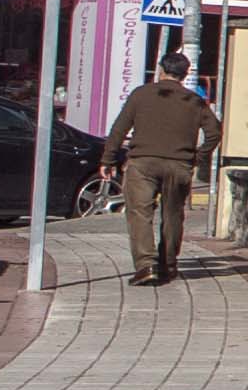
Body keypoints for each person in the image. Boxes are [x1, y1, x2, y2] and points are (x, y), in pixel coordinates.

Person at [95, 59, 221, 287]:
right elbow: (214, 133)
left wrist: (108, 159)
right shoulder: (194, 101)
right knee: (173, 214)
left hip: (143, 163)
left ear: (161, 70)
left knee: (140, 213)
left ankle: (146, 265)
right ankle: (168, 264)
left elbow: (119, 128)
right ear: (185, 75)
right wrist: (197, 157)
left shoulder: (141, 94)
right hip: (179, 165)